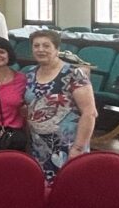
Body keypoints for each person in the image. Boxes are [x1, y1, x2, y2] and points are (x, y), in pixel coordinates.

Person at [24, 30, 98, 183]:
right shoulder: (30, 74)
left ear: (57, 48)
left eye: (46, 45)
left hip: (68, 148)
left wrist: (78, 148)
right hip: (39, 147)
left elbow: (89, 113)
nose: (40, 49)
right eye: (36, 46)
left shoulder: (73, 74)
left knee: (68, 187)